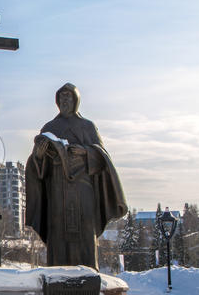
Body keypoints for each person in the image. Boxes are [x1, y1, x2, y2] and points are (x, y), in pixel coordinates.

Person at [25, 83, 127, 270]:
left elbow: (102, 157)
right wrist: (38, 156)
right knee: (58, 232)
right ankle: (57, 275)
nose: (65, 101)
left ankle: (87, 273)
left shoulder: (87, 127)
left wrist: (84, 152)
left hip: (83, 189)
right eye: (61, 97)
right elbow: (37, 166)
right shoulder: (50, 127)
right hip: (57, 188)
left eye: (68, 97)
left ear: (76, 100)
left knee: (84, 231)